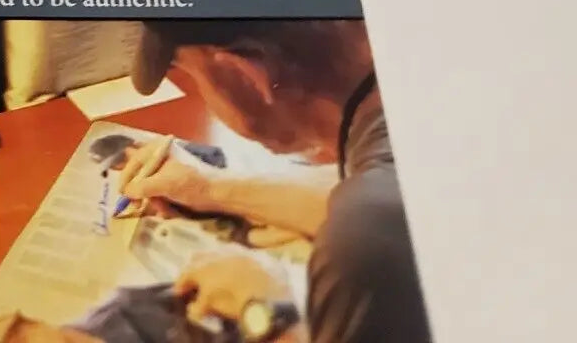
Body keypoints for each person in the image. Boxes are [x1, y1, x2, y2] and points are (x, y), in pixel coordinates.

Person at [106, 18, 432, 343]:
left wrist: (268, 313)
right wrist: (207, 187)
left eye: (196, 78)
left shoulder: (363, 242)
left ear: (247, 75)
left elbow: (368, 228)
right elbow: (380, 203)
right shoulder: (419, 94)